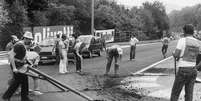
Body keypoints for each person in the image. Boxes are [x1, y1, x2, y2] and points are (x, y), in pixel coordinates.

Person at [170, 24, 201, 101]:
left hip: (183, 70)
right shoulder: (198, 42)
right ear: (193, 32)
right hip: (193, 70)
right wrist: (197, 67)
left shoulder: (182, 40)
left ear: (184, 31)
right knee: (189, 94)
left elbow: (176, 54)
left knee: (175, 93)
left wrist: (173, 54)